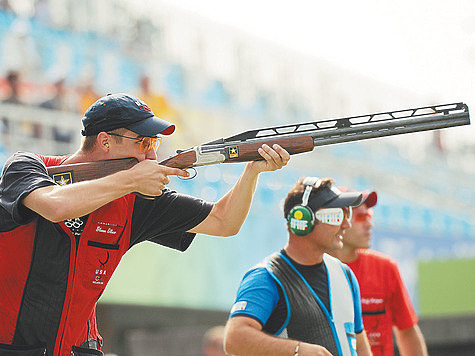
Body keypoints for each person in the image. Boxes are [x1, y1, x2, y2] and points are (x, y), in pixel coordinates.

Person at [0, 93, 290, 356]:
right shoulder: (27, 166)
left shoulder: (136, 200)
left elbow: (224, 221)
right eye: (144, 142)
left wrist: (253, 171)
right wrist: (132, 180)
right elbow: (54, 206)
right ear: (104, 141)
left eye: (154, 144)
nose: (151, 155)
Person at [224, 177, 373, 356]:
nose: (345, 224)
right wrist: (297, 350)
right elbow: (235, 339)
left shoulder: (345, 274)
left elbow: (359, 342)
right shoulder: (266, 276)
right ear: (302, 219)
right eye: (337, 216)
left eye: (346, 214)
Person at [331, 189, 428, 356]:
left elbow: (407, 331)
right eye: (361, 217)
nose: (370, 224)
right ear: (337, 220)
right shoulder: (315, 267)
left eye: (370, 216)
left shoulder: (386, 267)